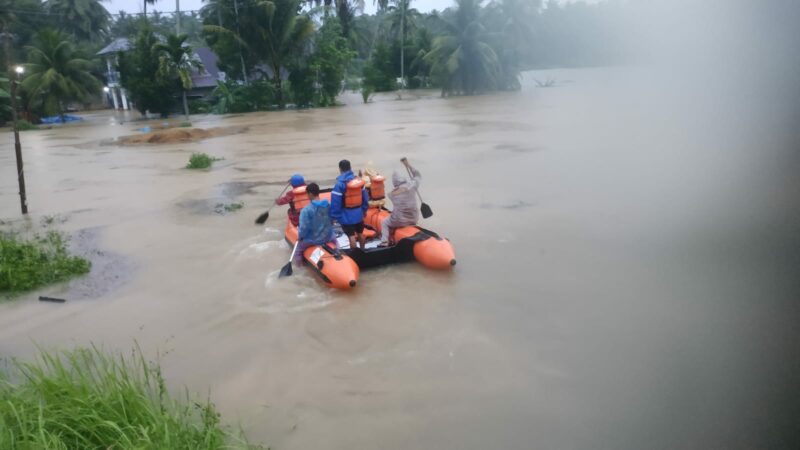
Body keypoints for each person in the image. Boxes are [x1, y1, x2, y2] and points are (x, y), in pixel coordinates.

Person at [380, 159, 421, 246]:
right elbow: (417, 175)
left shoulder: (391, 194)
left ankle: (384, 242)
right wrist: (408, 165)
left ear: (394, 182)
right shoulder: (412, 185)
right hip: (414, 218)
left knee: (384, 222)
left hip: (399, 220)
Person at [330, 159, 369, 249]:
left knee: (351, 236)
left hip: (346, 216)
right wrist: (364, 209)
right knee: (360, 233)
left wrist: (334, 217)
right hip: (358, 213)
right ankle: (363, 250)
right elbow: (365, 197)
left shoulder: (339, 185)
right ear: (350, 168)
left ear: (340, 169)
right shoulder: (358, 181)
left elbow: (335, 202)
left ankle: (355, 254)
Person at [295, 183, 335, 265]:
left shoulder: (305, 210)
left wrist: (300, 237)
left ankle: (300, 266)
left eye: (307, 194)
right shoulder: (329, 204)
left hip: (312, 240)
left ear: (310, 194)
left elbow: (303, 228)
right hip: (328, 236)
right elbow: (333, 220)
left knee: (298, 250)